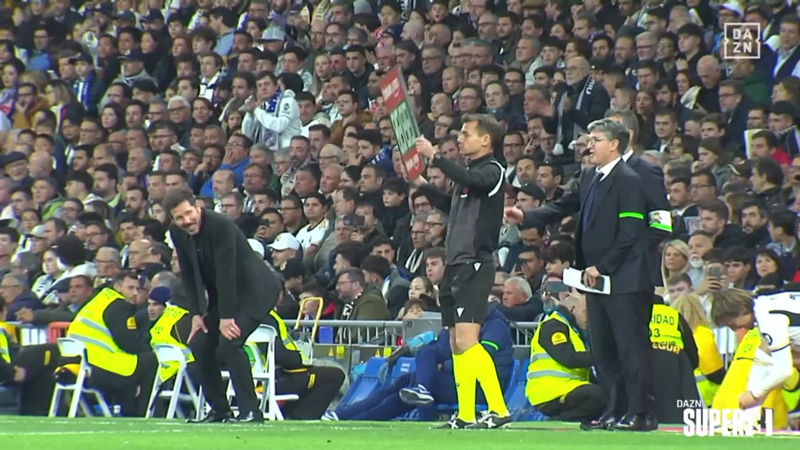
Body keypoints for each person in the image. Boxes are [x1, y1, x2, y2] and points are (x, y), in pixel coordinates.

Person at [505, 118, 654, 431]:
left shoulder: (629, 180)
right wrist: (526, 216)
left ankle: (639, 414)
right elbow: (562, 206)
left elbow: (630, 233)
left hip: (624, 280)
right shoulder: (589, 177)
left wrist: (601, 267)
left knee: (630, 348)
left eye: (596, 139)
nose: (589, 145)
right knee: (603, 349)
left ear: (614, 144)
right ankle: (614, 410)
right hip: (595, 281)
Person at [411, 114, 510, 429]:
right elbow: (449, 204)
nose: (460, 138)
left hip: (475, 263)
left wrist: (435, 157)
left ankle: (498, 409)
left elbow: (475, 183)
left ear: (486, 140)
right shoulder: (467, 175)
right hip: (456, 263)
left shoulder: (492, 171)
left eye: (466, 134)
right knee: (456, 342)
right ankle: (466, 413)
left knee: (468, 341)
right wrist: (423, 184)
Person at [165, 188, 283, 423]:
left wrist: (226, 317)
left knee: (230, 341)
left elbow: (226, 273)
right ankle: (219, 410)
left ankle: (251, 411)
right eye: (179, 218)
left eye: (189, 213)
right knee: (199, 344)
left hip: (255, 291)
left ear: (197, 207)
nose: (186, 221)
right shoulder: (177, 233)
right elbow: (187, 273)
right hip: (225, 294)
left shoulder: (220, 226)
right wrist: (197, 314)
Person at [65, 272, 158, 416]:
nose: (135, 293)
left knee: (138, 362)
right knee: (152, 360)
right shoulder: (119, 305)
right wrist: (147, 351)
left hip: (81, 364)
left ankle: (129, 407)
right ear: (118, 287)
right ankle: (144, 413)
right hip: (100, 367)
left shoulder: (100, 299)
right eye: (130, 288)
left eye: (138, 289)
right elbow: (127, 342)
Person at [526, 295, 605, 422]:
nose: (589, 318)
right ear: (572, 309)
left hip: (566, 388)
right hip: (550, 392)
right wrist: (604, 356)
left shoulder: (572, 330)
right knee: (599, 396)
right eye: (586, 312)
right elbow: (568, 359)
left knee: (609, 394)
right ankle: (558, 421)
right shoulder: (553, 326)